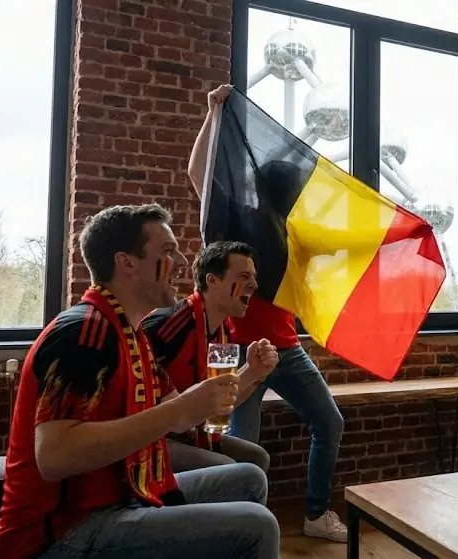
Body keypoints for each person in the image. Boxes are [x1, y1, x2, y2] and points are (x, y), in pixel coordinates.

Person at [0, 204, 280, 559]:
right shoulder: (85, 332)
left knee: (249, 478)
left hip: (126, 491)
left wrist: (247, 374)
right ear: (127, 262)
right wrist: (176, 412)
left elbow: (185, 409)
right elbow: (53, 457)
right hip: (61, 531)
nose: (181, 262)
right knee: (257, 526)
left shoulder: (132, 334)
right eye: (167, 251)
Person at [188, 84, 346, 542]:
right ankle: (242, 526)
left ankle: (316, 514)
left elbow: (345, 246)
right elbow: (198, 174)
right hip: (238, 353)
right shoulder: (234, 219)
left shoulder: (296, 234)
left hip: (287, 350)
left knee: (329, 422)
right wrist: (213, 113)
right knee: (243, 447)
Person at [142, 241, 276, 474]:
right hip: (149, 437)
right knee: (230, 470)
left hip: (189, 431)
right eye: (244, 276)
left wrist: (254, 371)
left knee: (256, 457)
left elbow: (224, 403)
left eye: (253, 277)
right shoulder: (172, 324)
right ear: (212, 281)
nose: (254, 285)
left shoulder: (223, 331)